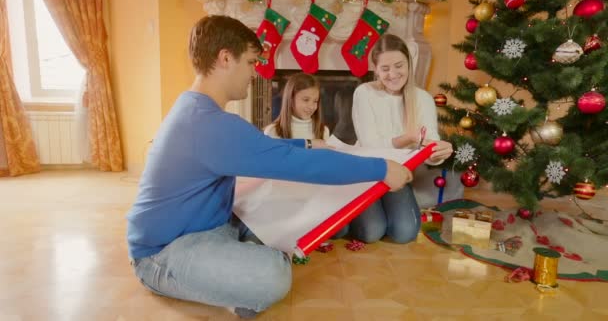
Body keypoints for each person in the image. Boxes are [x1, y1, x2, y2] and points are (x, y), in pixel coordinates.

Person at [126, 16, 413, 319]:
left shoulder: (198, 110)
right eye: (250, 62)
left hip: (209, 226)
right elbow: (299, 165)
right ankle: (226, 280)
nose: (255, 73)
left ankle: (232, 271)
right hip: (163, 252)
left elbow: (264, 150)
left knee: (276, 213)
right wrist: (381, 169)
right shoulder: (208, 123)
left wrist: (306, 144)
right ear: (225, 58)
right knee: (274, 275)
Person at [344, 33, 454, 244]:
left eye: (399, 66)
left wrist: (438, 152)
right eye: (385, 69)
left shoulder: (423, 99)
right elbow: (370, 146)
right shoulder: (364, 93)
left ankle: (382, 211)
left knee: (405, 233)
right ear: (375, 69)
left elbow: (429, 149)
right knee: (372, 232)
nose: (393, 74)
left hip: (400, 174)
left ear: (409, 64)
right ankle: (350, 207)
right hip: (368, 173)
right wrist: (406, 139)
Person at [264, 73, 330, 142]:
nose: (311, 107)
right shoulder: (272, 131)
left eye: (315, 101)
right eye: (306, 100)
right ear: (291, 99)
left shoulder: (324, 131)